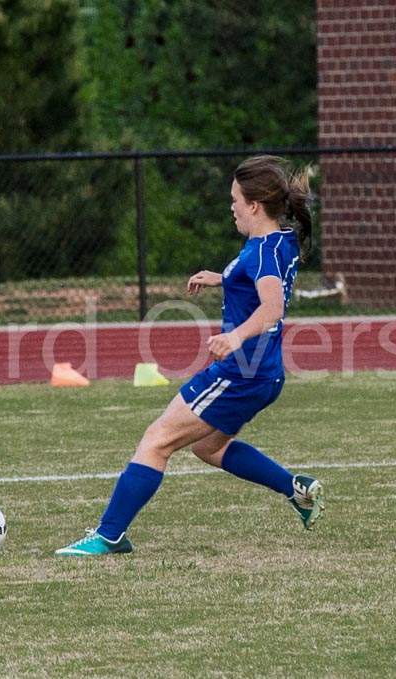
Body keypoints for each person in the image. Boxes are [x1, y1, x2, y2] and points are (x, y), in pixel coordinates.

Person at [56, 155, 324, 557]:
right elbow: (261, 283)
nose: (231, 206)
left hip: (239, 372)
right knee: (208, 448)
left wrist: (234, 338)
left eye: (235, 199)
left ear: (253, 205)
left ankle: (109, 535)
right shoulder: (279, 241)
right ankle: (295, 489)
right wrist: (224, 279)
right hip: (265, 374)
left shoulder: (262, 253)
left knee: (156, 440)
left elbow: (272, 308)